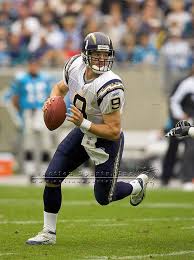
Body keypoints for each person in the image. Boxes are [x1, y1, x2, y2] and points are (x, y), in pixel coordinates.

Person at [26, 32, 151, 245]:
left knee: (104, 198)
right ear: (84, 55)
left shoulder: (111, 86)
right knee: (52, 177)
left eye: (105, 55)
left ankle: (136, 185)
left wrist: (82, 122)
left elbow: (113, 130)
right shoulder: (74, 65)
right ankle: (48, 233)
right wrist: (52, 101)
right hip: (82, 130)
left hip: (105, 140)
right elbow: (59, 87)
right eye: (96, 55)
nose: (101, 60)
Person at [10, 56, 53, 182]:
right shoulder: (21, 79)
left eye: (35, 65)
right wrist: (20, 112)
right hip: (28, 112)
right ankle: (31, 173)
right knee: (28, 144)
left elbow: (50, 97)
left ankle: (45, 172)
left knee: (46, 144)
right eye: (31, 65)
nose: (33, 67)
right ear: (29, 65)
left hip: (41, 112)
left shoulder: (45, 79)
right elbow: (14, 98)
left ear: (38, 66)